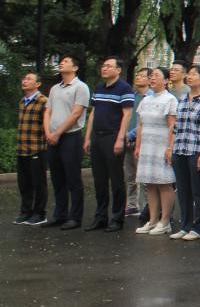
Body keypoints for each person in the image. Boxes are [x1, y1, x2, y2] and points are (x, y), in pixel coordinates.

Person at [83, 56, 134, 232]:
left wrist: (120, 139)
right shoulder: (99, 87)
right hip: (97, 137)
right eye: (103, 66)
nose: (104, 68)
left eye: (109, 66)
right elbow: (93, 113)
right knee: (99, 179)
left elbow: (127, 115)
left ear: (118, 70)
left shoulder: (124, 88)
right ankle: (100, 217)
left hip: (113, 136)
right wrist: (87, 137)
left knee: (116, 179)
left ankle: (117, 218)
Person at [44, 54, 91, 230]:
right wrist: (48, 132)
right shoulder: (55, 88)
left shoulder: (81, 87)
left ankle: (75, 217)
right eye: (61, 61)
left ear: (75, 68)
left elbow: (76, 113)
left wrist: (58, 133)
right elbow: (47, 111)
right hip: (53, 137)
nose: (61, 63)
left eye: (66, 62)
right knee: (57, 178)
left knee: (73, 178)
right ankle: (60, 214)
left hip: (70, 136)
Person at [170, 65, 200, 241]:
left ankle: (198, 227)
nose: (190, 76)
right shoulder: (182, 99)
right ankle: (185, 226)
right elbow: (176, 127)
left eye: (194, 74)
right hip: (179, 148)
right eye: (189, 74)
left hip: (196, 150)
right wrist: (171, 148)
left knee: (198, 191)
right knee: (183, 191)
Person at [134, 68, 179, 236]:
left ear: (166, 80)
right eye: (151, 76)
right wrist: (138, 146)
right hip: (147, 146)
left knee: (164, 182)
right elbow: (141, 125)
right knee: (150, 183)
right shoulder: (145, 100)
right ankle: (152, 220)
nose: (152, 78)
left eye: (156, 76)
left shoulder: (170, 99)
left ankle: (165, 220)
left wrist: (170, 147)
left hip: (161, 146)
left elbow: (172, 126)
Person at [15, 72, 49, 226]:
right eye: (24, 78)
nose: (24, 81)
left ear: (38, 84)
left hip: (37, 149)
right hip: (22, 149)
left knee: (39, 183)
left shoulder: (43, 101)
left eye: (29, 79)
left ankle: (40, 213)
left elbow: (47, 124)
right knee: (24, 183)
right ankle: (25, 212)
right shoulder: (22, 101)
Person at [124, 68, 151, 220]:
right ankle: (132, 205)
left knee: (144, 177)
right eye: (137, 75)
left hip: (142, 140)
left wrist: (130, 134)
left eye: (142, 75)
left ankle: (148, 207)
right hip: (127, 139)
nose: (138, 77)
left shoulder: (150, 97)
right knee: (130, 175)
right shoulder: (132, 97)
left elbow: (144, 122)